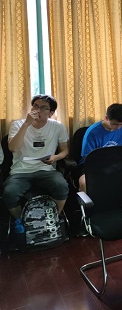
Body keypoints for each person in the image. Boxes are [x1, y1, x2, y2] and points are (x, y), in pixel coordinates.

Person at [3, 95, 69, 231]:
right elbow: (13, 148)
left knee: (61, 186)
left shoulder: (57, 126)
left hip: (46, 169)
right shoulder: (17, 124)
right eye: (35, 106)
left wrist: (56, 157)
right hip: (21, 171)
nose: (38, 110)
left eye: (44, 108)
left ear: (51, 113)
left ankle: (53, 219)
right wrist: (26, 124)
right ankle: (22, 223)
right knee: (9, 193)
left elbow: (65, 150)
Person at [77, 103, 122, 193]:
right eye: (115, 124)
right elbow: (88, 158)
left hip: (116, 161)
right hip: (92, 163)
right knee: (84, 183)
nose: (118, 128)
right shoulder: (92, 132)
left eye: (121, 124)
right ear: (106, 118)